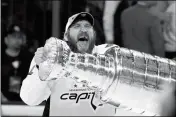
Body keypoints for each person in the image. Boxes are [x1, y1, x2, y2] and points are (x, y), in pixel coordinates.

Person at [20, 12, 117, 116]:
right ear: (66, 35)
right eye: (77, 26)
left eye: (87, 26)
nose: (83, 29)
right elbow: (30, 99)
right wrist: (40, 69)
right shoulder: (50, 57)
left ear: (93, 34)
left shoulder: (110, 56)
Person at [1, 24, 33, 102]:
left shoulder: (29, 58)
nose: (17, 39)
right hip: (2, 102)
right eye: (14, 36)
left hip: (24, 103)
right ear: (6, 39)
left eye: (19, 37)